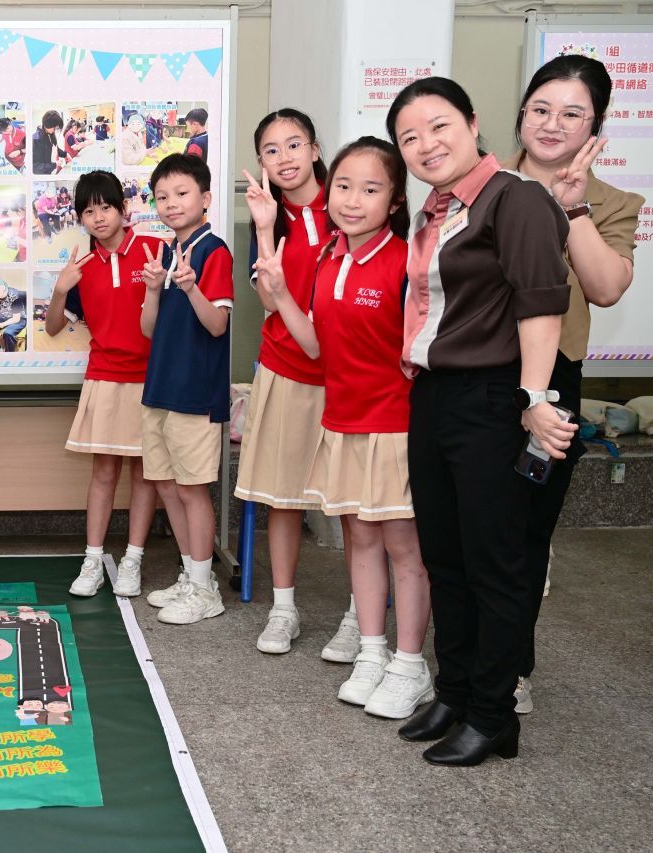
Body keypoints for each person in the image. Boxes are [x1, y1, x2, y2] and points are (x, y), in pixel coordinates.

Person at [386, 77, 576, 766]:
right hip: (436, 394)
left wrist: (535, 399)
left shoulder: (513, 198)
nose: (426, 144)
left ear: (472, 122)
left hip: (494, 399)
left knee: (494, 562)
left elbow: (541, 303)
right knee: (446, 556)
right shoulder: (435, 211)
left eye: (439, 126)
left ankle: (494, 714)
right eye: (409, 137)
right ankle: (456, 691)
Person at [255, 136, 435, 719]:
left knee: (404, 550)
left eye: (371, 189)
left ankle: (411, 665)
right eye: (344, 187)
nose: (353, 200)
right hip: (342, 422)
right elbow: (315, 347)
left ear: (396, 200)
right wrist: (280, 293)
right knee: (361, 541)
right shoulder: (329, 258)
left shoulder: (408, 261)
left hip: (395, 427)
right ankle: (372, 652)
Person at [508, 55, 644, 716]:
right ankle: (457, 659)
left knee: (526, 528)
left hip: (553, 381)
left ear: (596, 126)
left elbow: (607, 287)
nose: (552, 124)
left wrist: (575, 207)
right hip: (470, 370)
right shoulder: (480, 182)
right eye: (541, 108)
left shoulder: (612, 202)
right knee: (459, 526)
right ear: (521, 114)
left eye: (571, 113)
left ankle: (510, 667)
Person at [234, 109, 358, 660]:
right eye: (271, 149)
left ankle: (359, 615)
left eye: (293, 144)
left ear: (314, 149)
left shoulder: (349, 201)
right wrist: (264, 228)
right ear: (261, 161)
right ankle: (284, 608)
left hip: (350, 373)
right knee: (282, 497)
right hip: (286, 368)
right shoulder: (269, 216)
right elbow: (269, 298)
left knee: (355, 503)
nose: (283, 157)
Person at [45, 170, 182, 600]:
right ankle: (92, 560)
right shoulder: (82, 266)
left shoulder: (156, 249)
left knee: (144, 474)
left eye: (106, 207)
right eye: (89, 211)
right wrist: (60, 290)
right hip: (104, 375)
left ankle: (133, 559)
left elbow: (176, 317)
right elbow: (52, 328)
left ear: (124, 210)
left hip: (150, 378)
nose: (99, 217)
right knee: (104, 472)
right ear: (81, 219)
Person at [138, 154, 233, 625]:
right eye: (162, 196)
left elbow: (217, 325)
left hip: (195, 392)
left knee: (193, 490)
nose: (171, 203)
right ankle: (192, 572)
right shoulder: (162, 253)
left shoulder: (214, 251)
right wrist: (154, 289)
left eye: (181, 193)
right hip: (160, 386)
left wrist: (192, 287)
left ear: (206, 198)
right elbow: (148, 330)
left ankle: (204, 589)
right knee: (166, 484)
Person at [32, 110, 65, 175]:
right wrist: (54, 165)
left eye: (56, 128)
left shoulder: (51, 133)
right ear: (47, 125)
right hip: (45, 174)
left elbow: (54, 148)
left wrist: (65, 154)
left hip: (53, 171)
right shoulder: (36, 139)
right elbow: (35, 167)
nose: (55, 130)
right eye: (54, 127)